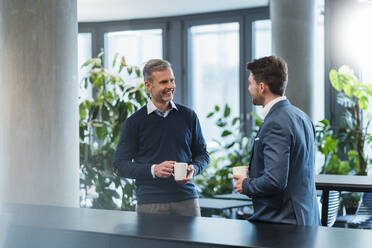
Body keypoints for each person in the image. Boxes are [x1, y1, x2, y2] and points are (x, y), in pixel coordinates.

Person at [113, 59, 209, 216]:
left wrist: (195, 168)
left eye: (172, 80)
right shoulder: (134, 122)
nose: (170, 86)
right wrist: (153, 170)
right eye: (164, 82)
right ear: (148, 86)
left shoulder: (188, 116)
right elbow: (119, 165)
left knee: (191, 242)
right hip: (150, 203)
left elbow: (203, 154)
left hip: (187, 200)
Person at [232, 56, 320, 225]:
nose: (249, 88)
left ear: (262, 87)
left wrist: (247, 185)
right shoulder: (301, 117)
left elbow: (275, 180)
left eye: (251, 84)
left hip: (283, 224)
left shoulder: (275, 122)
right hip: (305, 219)